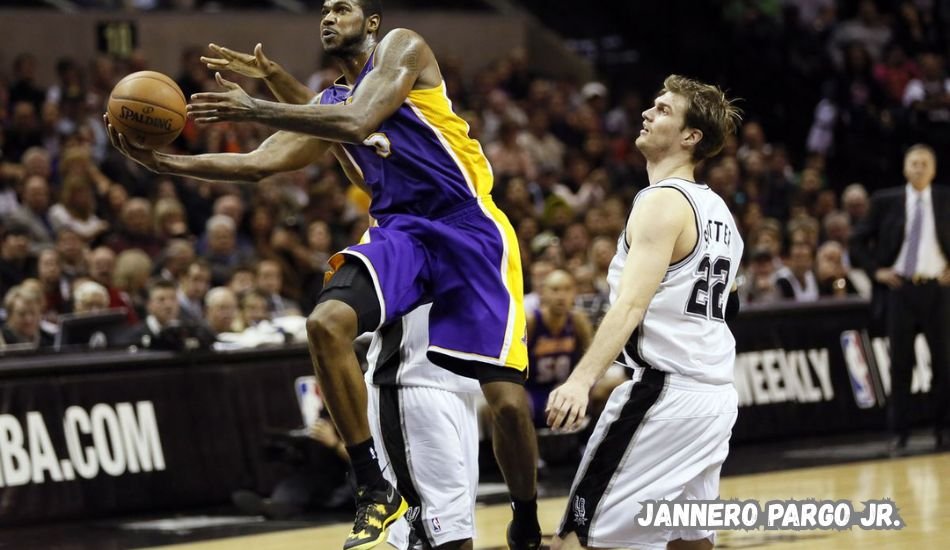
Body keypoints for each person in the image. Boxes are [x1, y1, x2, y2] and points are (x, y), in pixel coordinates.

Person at [104, 4, 541, 547]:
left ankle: (526, 515)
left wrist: (257, 102)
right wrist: (165, 165)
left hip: (468, 229)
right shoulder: (329, 104)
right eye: (324, 9)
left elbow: (358, 119)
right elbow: (258, 164)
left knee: (507, 405)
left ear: (372, 22)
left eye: (343, 7)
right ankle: (371, 484)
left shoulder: (402, 47)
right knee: (325, 323)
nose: (329, 16)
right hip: (401, 232)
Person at [545, 75, 744, 550]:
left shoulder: (661, 201)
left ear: (690, 136)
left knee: (579, 539)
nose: (646, 114)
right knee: (688, 540)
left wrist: (581, 380)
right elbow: (729, 303)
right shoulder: (719, 211)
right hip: (713, 399)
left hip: (664, 397)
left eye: (663, 110)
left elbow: (632, 305)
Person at [850, 144, 950, 454]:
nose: (919, 168)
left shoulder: (945, 198)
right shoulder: (885, 201)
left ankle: (944, 430)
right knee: (900, 364)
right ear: (905, 168)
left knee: (944, 363)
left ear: (933, 169)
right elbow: (856, 241)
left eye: (924, 163)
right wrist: (876, 271)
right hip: (900, 290)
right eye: (914, 163)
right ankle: (898, 433)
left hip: (938, 290)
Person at [367, 304, 481, 550]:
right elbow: (329, 322)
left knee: (456, 531)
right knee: (439, 538)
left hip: (464, 382)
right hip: (411, 379)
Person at [525, 270, 593, 428]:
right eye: (555, 290)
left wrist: (576, 385)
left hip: (567, 388)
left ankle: (589, 438)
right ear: (543, 293)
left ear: (574, 293)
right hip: (533, 391)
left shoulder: (578, 321)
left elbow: (590, 360)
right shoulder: (531, 321)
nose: (561, 296)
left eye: (567, 289)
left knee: (608, 388)